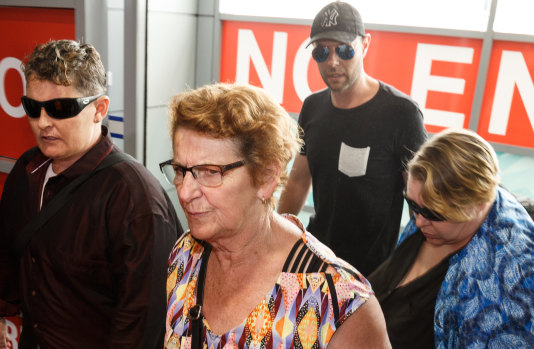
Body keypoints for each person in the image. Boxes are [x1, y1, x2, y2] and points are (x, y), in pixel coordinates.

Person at [0, 39, 182, 349]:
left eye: (60, 108)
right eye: (33, 108)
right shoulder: (27, 169)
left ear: (99, 109)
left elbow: (143, 323)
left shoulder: (135, 198)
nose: (43, 122)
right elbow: (9, 243)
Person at [161, 83, 391, 348]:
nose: (185, 192)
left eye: (211, 172)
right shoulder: (184, 256)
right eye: (180, 170)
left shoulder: (338, 304)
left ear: (267, 177)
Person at [367, 129, 534, 348]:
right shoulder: (432, 215)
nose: (418, 222)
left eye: (434, 214)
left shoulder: (517, 281)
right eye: (412, 204)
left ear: (477, 205)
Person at [277, 1, 428, 276]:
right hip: (316, 259)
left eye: (344, 50)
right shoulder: (312, 107)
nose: (333, 61)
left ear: (365, 44)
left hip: (371, 273)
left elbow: (421, 204)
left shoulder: (401, 113)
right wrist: (274, 236)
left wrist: (409, 273)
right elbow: (299, 180)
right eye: (322, 52)